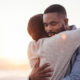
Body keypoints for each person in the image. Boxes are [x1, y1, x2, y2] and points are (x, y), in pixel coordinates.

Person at [28, 4, 80, 80]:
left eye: (53, 24)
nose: (49, 29)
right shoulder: (50, 44)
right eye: (45, 25)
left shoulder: (77, 43)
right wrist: (31, 77)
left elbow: (76, 77)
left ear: (65, 21)